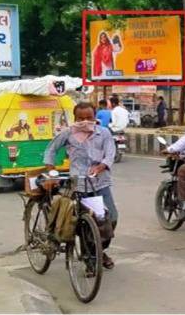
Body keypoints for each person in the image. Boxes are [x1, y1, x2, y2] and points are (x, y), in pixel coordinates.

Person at [44, 102, 117, 269]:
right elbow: (50, 150)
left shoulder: (104, 133)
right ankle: (90, 258)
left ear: (95, 116)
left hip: (100, 183)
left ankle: (99, 251)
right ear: (75, 118)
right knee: (84, 223)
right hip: (78, 185)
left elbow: (110, 153)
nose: (85, 121)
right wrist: (51, 170)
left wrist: (101, 166)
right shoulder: (68, 133)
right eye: (80, 118)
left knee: (110, 218)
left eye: (89, 117)